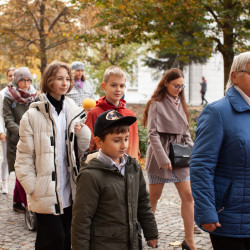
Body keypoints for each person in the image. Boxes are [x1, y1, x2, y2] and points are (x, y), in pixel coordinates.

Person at [14, 61, 91, 250]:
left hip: (68, 187)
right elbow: (23, 158)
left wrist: (81, 131)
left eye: (67, 79)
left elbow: (82, 148)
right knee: (52, 239)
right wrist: (34, 188)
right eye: (59, 79)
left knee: (66, 239)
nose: (65, 83)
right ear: (49, 81)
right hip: (44, 191)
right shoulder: (32, 116)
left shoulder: (72, 110)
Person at [71, 109, 158, 249]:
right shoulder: (91, 175)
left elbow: (142, 201)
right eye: (117, 140)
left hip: (131, 241)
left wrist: (151, 233)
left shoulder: (133, 167)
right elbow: (81, 219)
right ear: (99, 142)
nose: (124, 145)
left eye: (126, 139)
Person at [190, 51, 250, 250]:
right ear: (235, 76)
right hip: (231, 217)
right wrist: (207, 211)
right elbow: (201, 166)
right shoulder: (217, 112)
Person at [142, 68, 196, 250]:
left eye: (182, 86)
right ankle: (150, 234)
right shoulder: (156, 103)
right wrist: (162, 158)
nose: (179, 89)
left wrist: (195, 152)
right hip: (161, 155)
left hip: (180, 154)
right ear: (166, 83)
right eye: (176, 85)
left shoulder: (180, 102)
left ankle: (189, 241)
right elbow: (152, 134)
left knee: (188, 196)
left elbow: (186, 133)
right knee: (154, 198)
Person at [85, 65, 140, 160]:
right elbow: (88, 144)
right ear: (104, 86)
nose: (118, 89)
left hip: (127, 168)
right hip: (103, 167)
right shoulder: (94, 113)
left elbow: (134, 144)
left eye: (121, 86)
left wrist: (134, 164)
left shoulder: (129, 115)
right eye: (113, 85)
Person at [3, 67, 36, 212]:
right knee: (22, 172)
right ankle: (28, 205)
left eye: (28, 80)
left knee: (25, 170)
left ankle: (16, 201)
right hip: (16, 140)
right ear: (17, 80)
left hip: (33, 139)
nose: (26, 83)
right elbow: (8, 119)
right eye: (23, 80)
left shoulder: (34, 95)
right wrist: (22, 132)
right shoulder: (8, 97)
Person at [0, 67, 15, 194]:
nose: (12, 78)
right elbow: (0, 114)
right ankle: (4, 182)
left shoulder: (22, 92)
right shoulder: (3, 93)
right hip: (6, 129)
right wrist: (1, 131)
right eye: (10, 75)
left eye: (14, 75)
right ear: (7, 77)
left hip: (17, 131)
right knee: (5, 157)